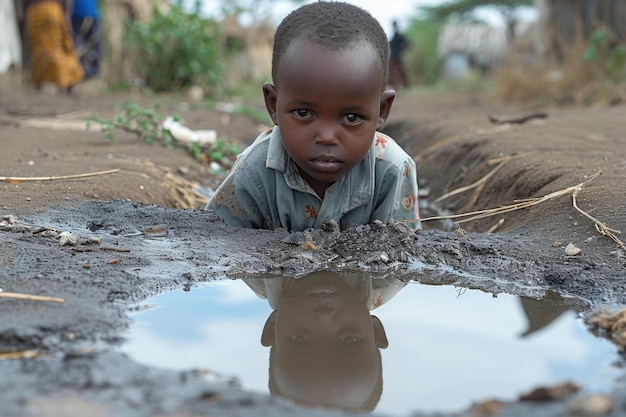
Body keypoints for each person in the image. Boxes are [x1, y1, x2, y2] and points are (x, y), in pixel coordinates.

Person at [206, 2, 419, 232]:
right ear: (273, 105)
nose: (327, 137)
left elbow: (402, 256)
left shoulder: (392, 170)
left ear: (382, 110)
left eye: (351, 117)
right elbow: (214, 244)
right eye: (303, 113)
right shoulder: (255, 170)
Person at [244, 271, 406, 411]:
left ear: (272, 327)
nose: (324, 318)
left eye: (299, 338)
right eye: (349, 339)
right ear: (375, 329)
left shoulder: (248, 267)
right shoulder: (396, 271)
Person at [24, 0, 84, 93]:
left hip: (33, 12)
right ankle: (65, 83)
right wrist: (66, 14)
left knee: (39, 49)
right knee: (58, 48)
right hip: (52, 10)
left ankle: (38, 84)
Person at [70, 0, 102, 79]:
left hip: (77, 16)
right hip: (89, 15)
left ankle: (79, 73)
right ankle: (88, 72)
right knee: (93, 46)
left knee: (75, 47)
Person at [388, 20, 410, 87]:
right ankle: (394, 85)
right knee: (390, 71)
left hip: (397, 57)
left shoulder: (399, 36)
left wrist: (403, 50)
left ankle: (406, 85)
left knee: (401, 71)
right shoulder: (393, 36)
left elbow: (408, 43)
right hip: (392, 57)